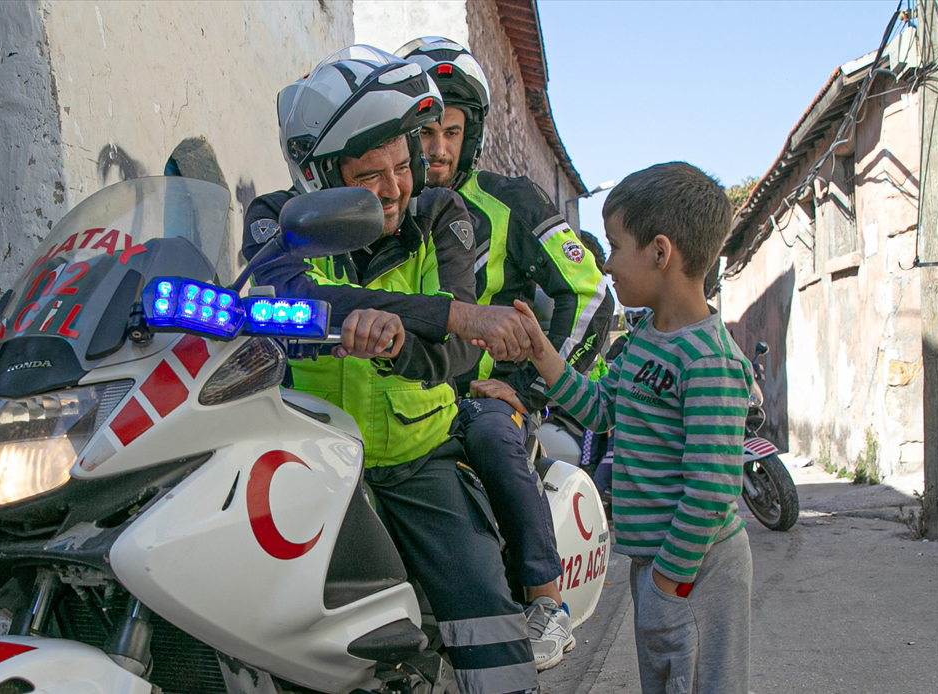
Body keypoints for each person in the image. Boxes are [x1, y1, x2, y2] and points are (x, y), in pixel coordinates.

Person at [243, 46, 538, 694]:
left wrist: (398, 342)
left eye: (402, 166)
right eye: (369, 176)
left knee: (482, 605)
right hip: (305, 456)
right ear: (321, 178)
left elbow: (459, 354)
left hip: (417, 457)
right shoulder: (278, 218)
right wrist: (449, 314)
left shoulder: (441, 215)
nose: (395, 188)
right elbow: (283, 299)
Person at [484, 162, 755, 694]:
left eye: (613, 246)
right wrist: (543, 355)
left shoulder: (709, 360)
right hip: (663, 565)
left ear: (660, 252)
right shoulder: (645, 338)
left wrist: (669, 581)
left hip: (698, 568)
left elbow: (711, 489)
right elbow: (604, 409)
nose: (605, 265)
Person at [397, 37, 613, 671]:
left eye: (452, 131)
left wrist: (534, 388)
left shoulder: (513, 200)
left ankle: (546, 603)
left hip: (485, 396)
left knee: (494, 437)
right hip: (401, 393)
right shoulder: (384, 207)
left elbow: (591, 294)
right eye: (425, 131)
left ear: (473, 134)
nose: (438, 147)